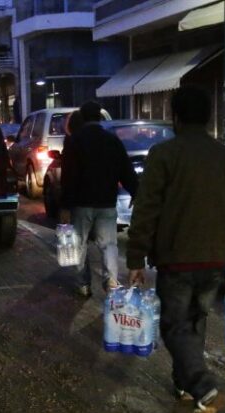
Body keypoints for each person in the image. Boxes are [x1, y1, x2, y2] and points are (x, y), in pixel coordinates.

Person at [126, 85, 225, 413]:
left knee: (174, 326)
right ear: (208, 117)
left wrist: (135, 257)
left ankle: (202, 386)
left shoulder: (164, 154)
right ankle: (184, 385)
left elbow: (147, 210)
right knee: (194, 323)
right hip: (216, 260)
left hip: (177, 259)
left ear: (176, 117)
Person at [60, 101, 137, 298]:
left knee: (80, 244)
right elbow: (125, 169)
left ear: (83, 118)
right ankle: (111, 282)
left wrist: (65, 205)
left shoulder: (74, 141)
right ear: (100, 118)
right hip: (106, 202)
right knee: (109, 245)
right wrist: (136, 192)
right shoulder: (112, 140)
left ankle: (84, 284)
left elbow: (69, 176)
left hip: (82, 202)